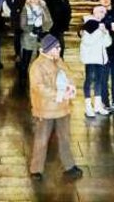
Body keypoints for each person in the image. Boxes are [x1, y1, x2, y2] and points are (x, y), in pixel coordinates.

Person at [27, 34, 83, 181]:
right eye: (56, 47)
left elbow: (69, 74)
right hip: (46, 109)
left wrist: (70, 87)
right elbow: (39, 87)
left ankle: (69, 165)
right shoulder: (37, 66)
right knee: (42, 139)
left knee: (64, 137)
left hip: (62, 107)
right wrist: (59, 94)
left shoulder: (59, 60)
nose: (59, 49)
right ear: (48, 49)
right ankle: (36, 169)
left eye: (59, 47)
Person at [80, 6, 112, 118]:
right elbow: (86, 41)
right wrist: (100, 32)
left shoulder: (101, 26)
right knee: (89, 80)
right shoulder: (89, 24)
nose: (102, 14)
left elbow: (108, 43)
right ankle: (88, 106)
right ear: (94, 12)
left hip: (101, 58)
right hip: (90, 58)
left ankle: (98, 105)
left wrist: (105, 33)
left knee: (99, 80)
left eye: (104, 12)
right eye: (100, 11)